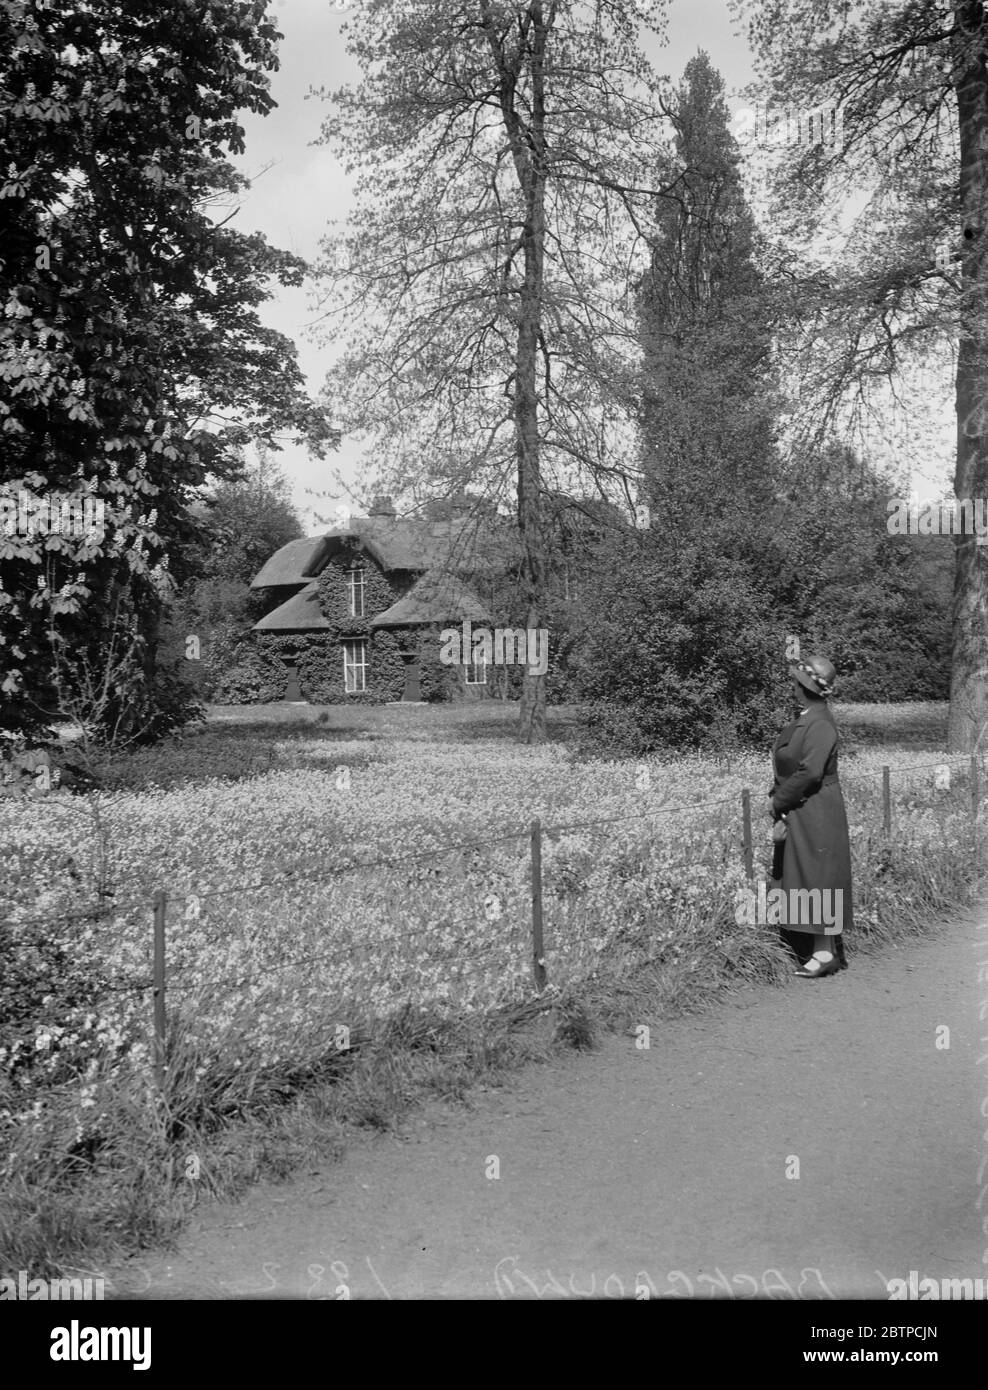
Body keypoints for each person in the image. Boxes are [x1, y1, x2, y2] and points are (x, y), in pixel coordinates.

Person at [769, 655, 853, 978]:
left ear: (803, 687)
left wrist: (778, 800)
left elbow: (810, 771)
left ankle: (824, 953)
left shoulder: (819, 723)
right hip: (805, 806)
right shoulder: (810, 717)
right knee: (814, 874)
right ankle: (825, 950)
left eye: (796, 682)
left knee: (819, 875)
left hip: (815, 808)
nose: (792, 686)